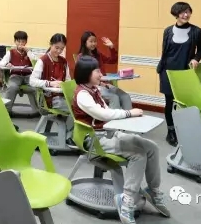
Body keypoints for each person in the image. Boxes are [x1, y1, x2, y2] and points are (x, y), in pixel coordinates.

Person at [72, 56, 169, 224]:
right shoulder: (82, 94)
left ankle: (153, 190)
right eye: (97, 71)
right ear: (86, 73)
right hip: (94, 139)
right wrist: (128, 113)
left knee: (152, 147)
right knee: (138, 155)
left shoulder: (94, 90)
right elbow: (104, 114)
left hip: (109, 132)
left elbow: (107, 112)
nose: (101, 74)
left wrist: (128, 119)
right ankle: (127, 201)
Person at [157, 2, 201, 146]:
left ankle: (186, 130)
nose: (186, 15)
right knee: (169, 102)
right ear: (176, 13)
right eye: (183, 12)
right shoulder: (168, 31)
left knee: (186, 103)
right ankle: (171, 132)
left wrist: (196, 59)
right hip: (167, 72)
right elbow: (165, 52)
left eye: (188, 12)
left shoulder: (197, 31)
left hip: (185, 72)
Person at [30, 33, 74, 143]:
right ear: (51, 44)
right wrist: (50, 83)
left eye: (62, 49)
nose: (59, 51)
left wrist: (65, 85)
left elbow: (68, 80)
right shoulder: (43, 60)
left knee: (81, 105)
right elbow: (32, 81)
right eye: (56, 47)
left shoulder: (64, 62)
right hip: (49, 99)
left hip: (62, 96)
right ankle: (69, 137)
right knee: (77, 109)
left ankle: (70, 135)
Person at [76, 31, 132, 110]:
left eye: (95, 41)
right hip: (94, 86)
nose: (94, 43)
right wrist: (100, 83)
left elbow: (112, 60)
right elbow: (83, 77)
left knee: (125, 96)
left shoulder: (98, 54)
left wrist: (111, 47)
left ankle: (129, 115)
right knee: (114, 97)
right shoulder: (81, 57)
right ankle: (114, 117)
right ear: (84, 43)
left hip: (105, 84)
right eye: (91, 41)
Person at [0, 30, 37, 112]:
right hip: (15, 76)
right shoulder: (11, 52)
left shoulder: (29, 52)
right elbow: (1, 63)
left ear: (26, 42)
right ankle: (7, 110)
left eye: (23, 42)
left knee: (36, 87)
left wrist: (28, 51)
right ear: (15, 41)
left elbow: (36, 62)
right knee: (12, 87)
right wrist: (7, 64)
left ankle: (37, 110)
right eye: (18, 41)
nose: (20, 44)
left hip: (28, 76)